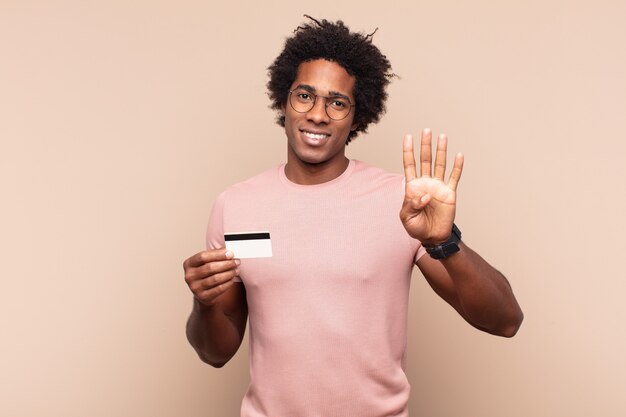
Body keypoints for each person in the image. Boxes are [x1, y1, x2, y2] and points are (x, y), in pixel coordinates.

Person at [183, 16, 523, 417]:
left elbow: (506, 321)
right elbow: (215, 354)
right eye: (304, 96)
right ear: (283, 101)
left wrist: (444, 242)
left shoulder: (402, 203)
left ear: (358, 118)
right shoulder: (235, 205)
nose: (318, 114)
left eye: (337, 102)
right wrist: (203, 304)